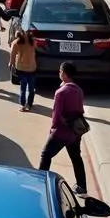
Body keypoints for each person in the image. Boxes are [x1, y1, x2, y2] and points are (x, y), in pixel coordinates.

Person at [39, 61, 88, 195]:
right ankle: (81, 186)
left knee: (46, 154)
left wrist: (53, 129)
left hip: (61, 131)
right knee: (76, 157)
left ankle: (40, 182)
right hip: (74, 132)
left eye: (60, 71)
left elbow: (56, 113)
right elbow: (80, 110)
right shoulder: (78, 90)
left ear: (65, 74)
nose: (59, 73)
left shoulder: (60, 92)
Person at [8, 27, 38, 111]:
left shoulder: (16, 42)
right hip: (32, 69)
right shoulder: (33, 41)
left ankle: (23, 105)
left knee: (23, 87)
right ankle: (29, 104)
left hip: (21, 69)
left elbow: (12, 55)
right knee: (31, 88)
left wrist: (11, 64)